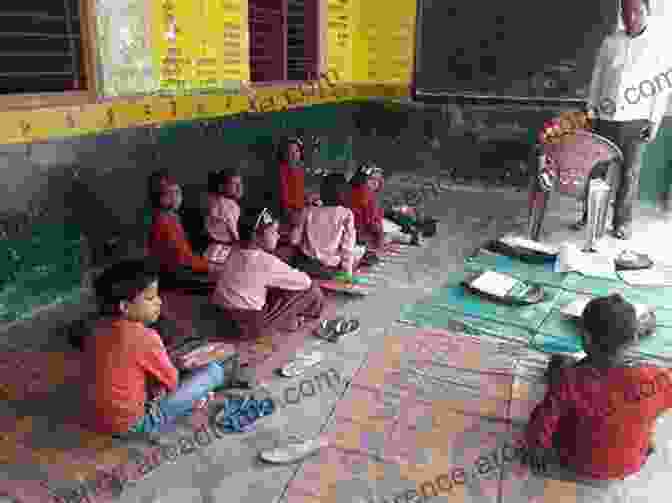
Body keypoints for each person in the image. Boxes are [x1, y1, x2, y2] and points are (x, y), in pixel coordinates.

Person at [522, 294, 671, 481]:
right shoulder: (657, 378)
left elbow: (542, 423)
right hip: (632, 462)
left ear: (585, 338)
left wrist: (536, 449)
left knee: (559, 365)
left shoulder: (571, 379)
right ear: (634, 338)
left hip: (574, 460)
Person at [81, 259, 234, 436]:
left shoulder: (95, 329)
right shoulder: (144, 337)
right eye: (150, 298)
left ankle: (194, 397)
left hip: (94, 418)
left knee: (155, 367)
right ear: (124, 306)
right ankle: (199, 397)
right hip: (134, 424)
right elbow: (173, 381)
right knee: (213, 370)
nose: (159, 302)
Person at [583, 0, 670, 239]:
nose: (631, 17)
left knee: (630, 173)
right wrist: (591, 111)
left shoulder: (658, 46)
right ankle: (589, 217)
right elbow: (597, 77)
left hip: (637, 120)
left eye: (636, 11)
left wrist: (654, 122)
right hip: (605, 117)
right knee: (596, 170)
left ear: (647, 13)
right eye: (626, 11)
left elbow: (661, 88)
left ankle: (621, 223)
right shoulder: (610, 42)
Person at [210, 206, 325, 340]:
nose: (278, 235)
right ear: (256, 236)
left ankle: (286, 320)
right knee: (312, 289)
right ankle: (299, 317)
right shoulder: (265, 261)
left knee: (271, 288)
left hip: (218, 319)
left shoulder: (233, 252)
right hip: (246, 327)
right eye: (274, 231)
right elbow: (305, 282)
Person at [146, 170, 213, 290]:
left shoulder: (168, 217)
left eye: (179, 192)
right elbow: (182, 258)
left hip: (170, 272)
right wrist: (208, 265)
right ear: (161, 198)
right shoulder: (165, 220)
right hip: (173, 276)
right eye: (173, 193)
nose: (179, 196)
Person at [289, 173, 363, 279]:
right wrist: (348, 274)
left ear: (322, 192)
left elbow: (294, 240)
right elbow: (347, 249)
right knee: (358, 254)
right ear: (345, 194)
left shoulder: (308, 210)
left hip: (304, 265)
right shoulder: (346, 214)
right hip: (328, 268)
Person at [204, 168, 243, 264]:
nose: (239, 187)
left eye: (240, 183)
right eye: (234, 184)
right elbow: (236, 238)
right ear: (221, 187)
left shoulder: (216, 202)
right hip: (223, 253)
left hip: (213, 251)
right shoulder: (226, 205)